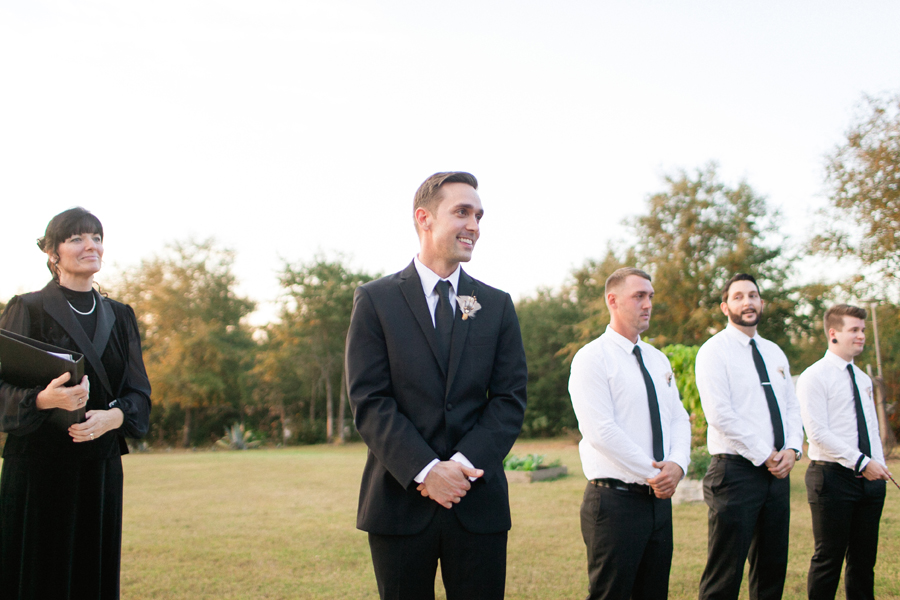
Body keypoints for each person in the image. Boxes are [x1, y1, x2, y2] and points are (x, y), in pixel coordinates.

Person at [345, 172, 527, 600]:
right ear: (424, 218)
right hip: (400, 502)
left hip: (477, 499)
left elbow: (509, 400)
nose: (475, 226)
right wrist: (427, 471)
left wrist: (459, 467)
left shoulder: (496, 305)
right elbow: (369, 400)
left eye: (479, 216)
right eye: (462, 212)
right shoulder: (375, 300)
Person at [0, 207, 151, 599]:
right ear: (53, 253)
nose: (91, 246)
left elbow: (139, 393)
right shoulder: (26, 308)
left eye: (97, 238)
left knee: (92, 576)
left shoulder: (120, 316)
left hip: (98, 468)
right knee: (37, 577)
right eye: (77, 239)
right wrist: (42, 399)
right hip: (38, 468)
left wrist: (114, 417)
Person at [568, 267, 691, 600]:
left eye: (650, 296)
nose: (648, 303)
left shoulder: (657, 359)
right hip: (614, 504)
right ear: (613, 300)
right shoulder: (591, 358)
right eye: (639, 296)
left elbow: (678, 417)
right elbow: (600, 430)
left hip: (657, 505)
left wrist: (677, 465)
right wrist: (654, 472)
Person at [696, 273, 803, 600]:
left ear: (761, 302)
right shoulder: (714, 351)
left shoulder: (774, 352)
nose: (748, 302)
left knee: (771, 569)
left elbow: (791, 406)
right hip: (735, 473)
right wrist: (765, 454)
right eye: (739, 296)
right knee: (724, 574)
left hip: (776, 475)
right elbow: (720, 414)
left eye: (753, 295)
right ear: (725, 306)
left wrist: (793, 449)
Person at [796, 304, 891, 600]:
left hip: (870, 482)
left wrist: (879, 465)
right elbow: (817, 435)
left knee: (864, 563)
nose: (861, 335)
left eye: (862, 330)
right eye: (855, 330)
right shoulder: (815, 377)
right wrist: (863, 462)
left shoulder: (863, 379)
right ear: (833, 334)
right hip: (832, 478)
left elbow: (871, 429)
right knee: (829, 561)